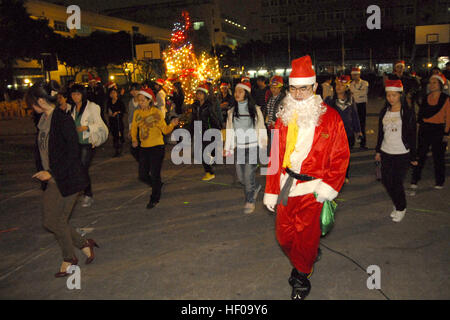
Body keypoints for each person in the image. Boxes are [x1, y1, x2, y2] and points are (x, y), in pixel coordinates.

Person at [263, 55, 349, 300]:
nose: (298, 93)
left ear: (314, 87)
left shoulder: (330, 118)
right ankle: (306, 256)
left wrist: (328, 187)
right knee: (283, 235)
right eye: (293, 88)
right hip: (285, 185)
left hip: (313, 187)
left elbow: (341, 155)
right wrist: (270, 189)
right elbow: (275, 156)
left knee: (306, 236)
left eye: (303, 88)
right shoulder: (283, 117)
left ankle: (302, 273)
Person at [26, 81, 98, 278]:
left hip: (68, 179)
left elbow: (73, 152)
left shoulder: (62, 119)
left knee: (58, 221)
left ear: (41, 100)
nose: (31, 107)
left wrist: (52, 172)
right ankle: (85, 244)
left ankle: (69, 258)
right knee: (51, 221)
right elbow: (42, 149)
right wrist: (43, 170)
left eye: (33, 103)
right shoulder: (42, 120)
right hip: (52, 180)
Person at [375, 80, 417, 222]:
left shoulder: (407, 112)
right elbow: (381, 133)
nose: (391, 98)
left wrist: (414, 155)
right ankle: (397, 202)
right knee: (387, 181)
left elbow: (412, 134)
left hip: (402, 153)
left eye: (394, 95)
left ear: (400, 95)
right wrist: (378, 151)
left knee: (397, 182)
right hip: (386, 151)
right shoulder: (384, 111)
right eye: (388, 95)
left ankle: (401, 207)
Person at [131, 88, 179, 209]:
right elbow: (134, 128)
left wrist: (172, 125)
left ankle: (154, 198)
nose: (140, 103)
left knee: (155, 173)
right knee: (142, 175)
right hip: (143, 147)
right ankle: (156, 185)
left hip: (157, 147)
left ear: (149, 100)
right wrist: (134, 139)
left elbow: (165, 130)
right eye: (139, 100)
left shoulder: (156, 113)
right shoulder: (137, 113)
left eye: (143, 100)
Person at [224, 81, 267, 214]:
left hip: (253, 146)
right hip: (240, 148)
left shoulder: (255, 109)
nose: (237, 94)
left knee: (248, 175)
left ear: (246, 94)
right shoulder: (232, 112)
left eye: (240, 91)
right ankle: (255, 187)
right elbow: (230, 130)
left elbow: (261, 127)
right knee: (242, 178)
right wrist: (228, 147)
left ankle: (250, 200)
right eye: (236, 91)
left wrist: (263, 145)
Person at [410, 73, 450, 193]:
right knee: (420, 155)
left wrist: (447, 134)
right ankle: (415, 179)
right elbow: (421, 115)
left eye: (434, 82)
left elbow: (448, 118)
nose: (431, 85)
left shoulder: (446, 99)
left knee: (438, 157)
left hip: (439, 130)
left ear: (440, 85)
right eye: (430, 82)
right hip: (425, 129)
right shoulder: (426, 97)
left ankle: (439, 181)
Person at [70, 84, 108, 208]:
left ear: (83, 95)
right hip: (77, 143)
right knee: (80, 169)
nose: (75, 97)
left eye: (78, 94)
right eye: (73, 94)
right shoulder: (73, 108)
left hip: (88, 142)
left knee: (82, 169)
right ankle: (86, 192)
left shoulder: (92, 107)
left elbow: (100, 124)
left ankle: (88, 194)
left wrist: (87, 127)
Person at [326, 75, 362, 183]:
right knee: (333, 155)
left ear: (346, 87)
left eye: (342, 85)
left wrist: (358, 131)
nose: (338, 87)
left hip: (348, 133)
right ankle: (333, 174)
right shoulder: (329, 100)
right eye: (337, 84)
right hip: (334, 134)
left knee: (345, 156)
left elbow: (355, 116)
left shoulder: (350, 100)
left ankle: (345, 174)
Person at [190, 84, 223, 181]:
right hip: (198, 132)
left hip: (208, 132)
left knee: (204, 152)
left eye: (201, 93)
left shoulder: (208, 105)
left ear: (205, 94)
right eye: (197, 93)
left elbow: (213, 118)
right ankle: (210, 166)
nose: (199, 95)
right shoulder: (195, 106)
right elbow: (193, 119)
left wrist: (217, 128)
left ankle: (210, 172)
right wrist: (191, 131)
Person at [265, 76, 286, 152]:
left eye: (275, 88)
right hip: (270, 126)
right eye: (271, 87)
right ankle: (272, 162)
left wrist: (276, 121)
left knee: (276, 148)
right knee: (272, 147)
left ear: (280, 88)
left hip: (278, 127)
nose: (273, 89)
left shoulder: (284, 99)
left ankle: (274, 162)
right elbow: (268, 111)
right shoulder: (270, 98)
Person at [350, 67, 369, 149]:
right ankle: (352, 143)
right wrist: (359, 93)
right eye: (353, 75)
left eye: (356, 74)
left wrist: (355, 93)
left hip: (362, 105)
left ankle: (363, 143)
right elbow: (352, 94)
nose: (354, 76)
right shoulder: (350, 84)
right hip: (353, 104)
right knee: (353, 124)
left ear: (359, 74)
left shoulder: (365, 83)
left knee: (362, 124)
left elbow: (365, 92)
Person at [106, 87, 126, 157]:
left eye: (114, 93)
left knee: (119, 134)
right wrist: (109, 113)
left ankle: (120, 149)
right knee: (114, 135)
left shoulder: (120, 101)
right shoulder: (109, 102)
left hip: (118, 121)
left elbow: (123, 110)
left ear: (117, 94)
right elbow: (107, 110)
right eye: (111, 93)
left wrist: (117, 112)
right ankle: (116, 149)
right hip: (112, 121)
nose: (113, 94)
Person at [127, 83, 141, 161]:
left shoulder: (143, 100)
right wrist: (130, 129)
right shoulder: (130, 102)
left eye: (136, 90)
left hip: (143, 126)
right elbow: (130, 117)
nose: (134, 92)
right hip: (134, 127)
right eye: (132, 90)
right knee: (134, 148)